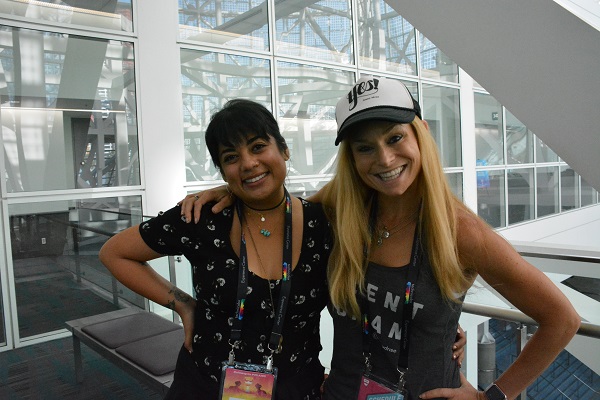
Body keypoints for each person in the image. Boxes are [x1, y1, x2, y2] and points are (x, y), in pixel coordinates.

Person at [180, 77, 580, 400]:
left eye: (394, 138)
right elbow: (280, 209)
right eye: (365, 148)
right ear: (352, 159)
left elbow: (561, 319)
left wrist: (492, 397)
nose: (385, 160)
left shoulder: (460, 231)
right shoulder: (342, 209)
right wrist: (235, 193)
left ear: (420, 133)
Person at [99, 99, 333, 399]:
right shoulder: (204, 218)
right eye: (231, 157)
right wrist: (182, 304)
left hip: (297, 388)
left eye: (258, 146)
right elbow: (114, 253)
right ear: (223, 172)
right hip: (206, 386)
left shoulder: (323, 223)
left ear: (284, 149)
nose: (248, 163)